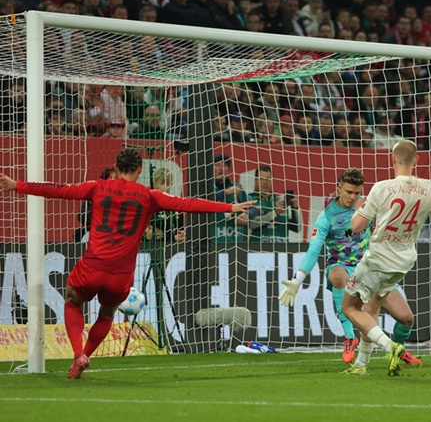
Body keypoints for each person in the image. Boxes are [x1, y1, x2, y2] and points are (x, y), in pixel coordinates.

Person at [0, 149, 255, 379]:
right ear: (140, 170)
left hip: (93, 266)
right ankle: (87, 353)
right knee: (107, 313)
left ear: (116, 166)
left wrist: (17, 185)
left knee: (72, 300)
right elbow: (187, 204)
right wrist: (229, 207)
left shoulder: (98, 187)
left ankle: (79, 354)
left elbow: (59, 190)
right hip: (120, 275)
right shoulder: (150, 195)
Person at [278, 168, 422, 370]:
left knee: (406, 318)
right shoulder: (327, 216)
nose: (352, 197)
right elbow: (313, 250)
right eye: (348, 192)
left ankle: (396, 354)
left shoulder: (368, 205)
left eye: (356, 192)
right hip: (342, 266)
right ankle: (349, 337)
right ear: (339, 188)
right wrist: (297, 280)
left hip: (371, 268)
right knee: (337, 276)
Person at [341, 140, 431, 376]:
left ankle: (391, 346)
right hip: (402, 263)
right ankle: (361, 364)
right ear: (417, 160)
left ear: (392, 159)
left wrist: (358, 208)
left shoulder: (382, 188)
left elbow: (356, 227)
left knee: (350, 307)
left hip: (377, 259)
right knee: (371, 308)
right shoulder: (430, 189)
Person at [248, 165, 300, 243]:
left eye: (267, 179)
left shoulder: (280, 201)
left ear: (272, 180)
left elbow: (298, 228)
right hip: (258, 248)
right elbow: (251, 224)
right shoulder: (250, 199)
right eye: (261, 179)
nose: (264, 182)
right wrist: (275, 213)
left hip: (281, 248)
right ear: (256, 181)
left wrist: (295, 209)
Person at [74, 166, 116, 242]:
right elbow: (82, 216)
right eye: (110, 177)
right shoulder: (94, 197)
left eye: (115, 178)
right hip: (94, 234)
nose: (113, 180)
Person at [213, 154, 249, 242]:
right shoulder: (206, 187)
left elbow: (251, 208)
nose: (221, 169)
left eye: (225, 165)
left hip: (236, 241)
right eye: (218, 165)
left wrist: (246, 215)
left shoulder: (237, 188)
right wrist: (225, 192)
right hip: (214, 242)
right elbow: (204, 201)